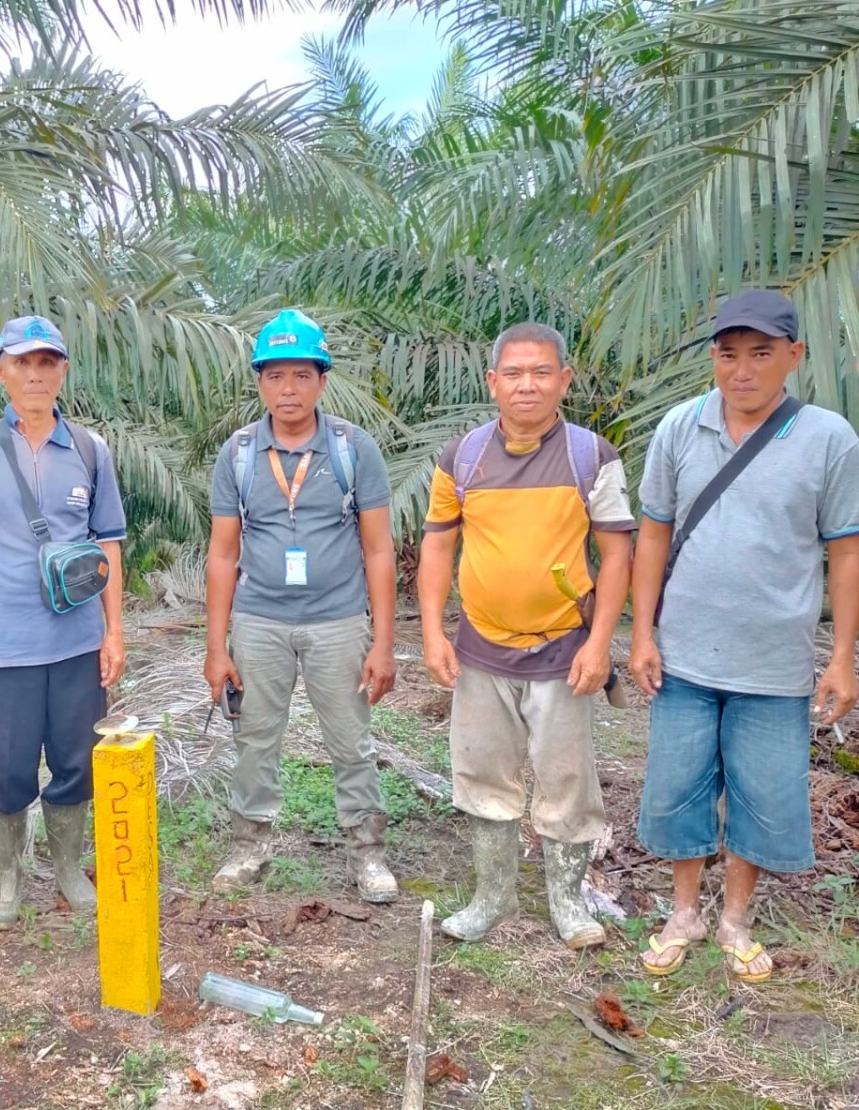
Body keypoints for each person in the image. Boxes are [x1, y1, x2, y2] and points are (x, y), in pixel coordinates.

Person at [630, 290, 859, 982]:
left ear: (794, 356)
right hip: (683, 657)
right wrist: (642, 634)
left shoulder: (829, 438)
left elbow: (846, 550)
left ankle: (734, 919)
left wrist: (842, 658)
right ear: (714, 359)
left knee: (762, 794)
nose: (744, 370)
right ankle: (683, 913)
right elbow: (653, 534)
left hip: (774, 662)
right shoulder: (680, 426)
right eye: (729, 355)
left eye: (761, 353)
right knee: (677, 787)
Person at [418, 322, 635, 949]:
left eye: (541, 372)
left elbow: (617, 556)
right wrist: (433, 632)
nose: (527, 385)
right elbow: (438, 548)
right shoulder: (462, 458)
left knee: (566, 777)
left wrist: (600, 644)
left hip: (563, 649)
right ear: (493, 382)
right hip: (481, 650)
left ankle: (567, 902)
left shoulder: (592, 457)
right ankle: (493, 896)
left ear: (564, 380)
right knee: (483, 772)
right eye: (513, 373)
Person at [203, 309, 399, 902]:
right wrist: (216, 648)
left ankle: (367, 853)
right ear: (260, 382)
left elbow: (378, 549)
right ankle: (249, 847)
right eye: (276, 376)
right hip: (259, 621)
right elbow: (222, 554)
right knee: (254, 739)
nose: (288, 388)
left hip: (338, 621)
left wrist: (383, 643)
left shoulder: (352, 449)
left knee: (350, 741)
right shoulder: (238, 453)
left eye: (301, 375)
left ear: (322, 380)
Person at [0, 316, 127, 928]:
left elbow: (109, 545)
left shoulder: (91, 450)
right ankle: (8, 877)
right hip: (5, 643)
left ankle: (69, 869)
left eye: (47, 362)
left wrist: (113, 633)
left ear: (63, 371)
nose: (35, 374)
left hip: (77, 643)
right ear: (1, 371)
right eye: (22, 362)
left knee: (77, 759)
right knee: (5, 766)